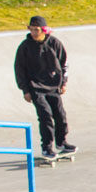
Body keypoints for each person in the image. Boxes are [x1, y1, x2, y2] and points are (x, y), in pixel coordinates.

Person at [14, 15, 72, 161]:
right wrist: (25, 90)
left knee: (60, 114)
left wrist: (63, 82)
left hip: (53, 87)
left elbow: (64, 64)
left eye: (37, 30)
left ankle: (61, 143)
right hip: (35, 88)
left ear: (44, 30)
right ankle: (47, 148)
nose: (34, 33)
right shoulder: (25, 47)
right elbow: (19, 70)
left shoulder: (54, 43)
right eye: (31, 30)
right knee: (45, 116)